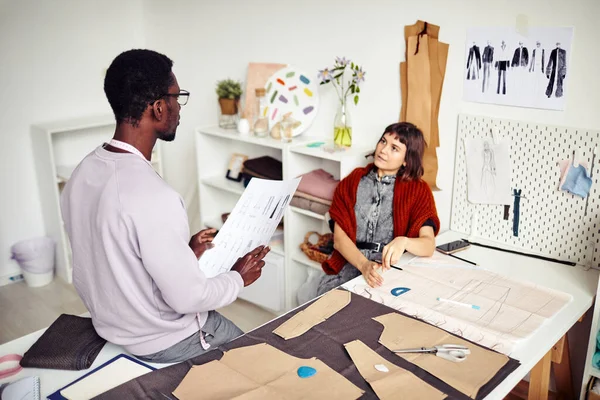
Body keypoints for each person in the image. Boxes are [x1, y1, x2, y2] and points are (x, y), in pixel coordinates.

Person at [60, 49, 269, 363]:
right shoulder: (154, 195)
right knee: (265, 359)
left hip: (114, 326)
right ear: (158, 108)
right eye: (177, 97)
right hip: (169, 339)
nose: (179, 108)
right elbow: (190, 298)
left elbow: (119, 254)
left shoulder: (83, 173)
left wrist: (182, 252)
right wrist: (239, 276)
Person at [316, 122, 439, 295]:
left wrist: (404, 241)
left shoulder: (419, 191)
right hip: (348, 266)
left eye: (394, 148)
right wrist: (364, 265)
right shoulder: (353, 181)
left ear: (406, 160)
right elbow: (339, 239)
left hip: (389, 272)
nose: (383, 150)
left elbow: (428, 245)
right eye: (383, 141)